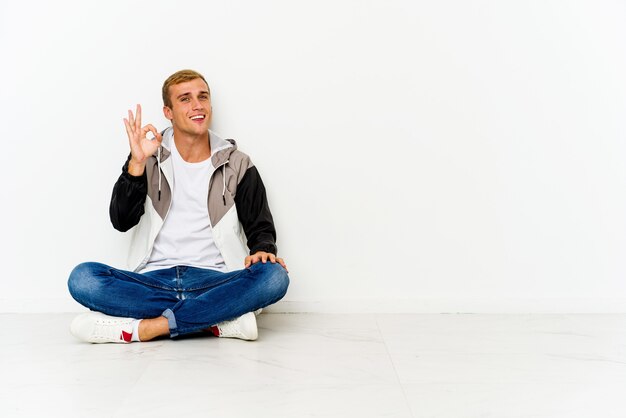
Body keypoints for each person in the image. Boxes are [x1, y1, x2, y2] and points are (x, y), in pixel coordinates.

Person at [67, 69, 289, 343]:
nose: (197, 105)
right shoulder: (147, 157)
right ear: (168, 112)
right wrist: (136, 165)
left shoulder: (237, 162)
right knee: (83, 278)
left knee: (274, 276)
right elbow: (121, 220)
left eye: (202, 97)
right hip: (152, 281)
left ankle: (147, 328)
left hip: (215, 281)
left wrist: (263, 250)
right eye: (185, 99)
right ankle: (215, 322)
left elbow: (260, 226)